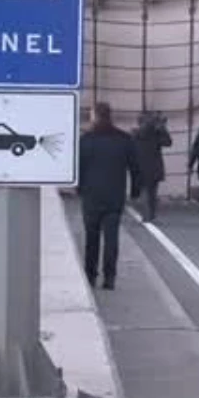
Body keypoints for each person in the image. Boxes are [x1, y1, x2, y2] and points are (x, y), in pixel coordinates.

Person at [78, 102, 141, 290]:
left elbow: (78, 167)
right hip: (114, 195)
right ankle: (110, 277)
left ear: (95, 116)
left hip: (91, 195)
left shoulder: (86, 140)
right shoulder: (124, 139)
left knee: (92, 238)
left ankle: (90, 275)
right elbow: (135, 168)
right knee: (111, 238)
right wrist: (135, 190)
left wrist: (79, 188)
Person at [132, 111, 172, 223]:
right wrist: (163, 128)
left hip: (141, 166)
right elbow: (168, 142)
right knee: (152, 193)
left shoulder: (136, 134)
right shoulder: (156, 133)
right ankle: (150, 215)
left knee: (145, 191)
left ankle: (147, 215)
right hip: (155, 166)